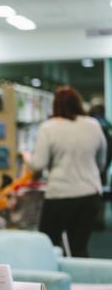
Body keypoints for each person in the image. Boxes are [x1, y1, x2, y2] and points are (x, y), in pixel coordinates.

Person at [30, 85, 107, 257]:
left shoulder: (49, 128)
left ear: (55, 105)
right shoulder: (93, 125)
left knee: (50, 245)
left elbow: (38, 165)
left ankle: (56, 281)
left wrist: (29, 160)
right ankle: (82, 281)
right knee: (79, 246)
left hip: (59, 195)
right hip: (89, 194)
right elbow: (101, 162)